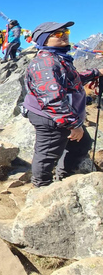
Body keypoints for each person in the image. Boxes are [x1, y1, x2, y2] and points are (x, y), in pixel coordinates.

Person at [23, 21, 103, 187]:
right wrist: (74, 125)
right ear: (44, 39)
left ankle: (63, 179)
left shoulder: (58, 58)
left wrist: (95, 73)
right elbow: (52, 99)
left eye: (65, 31)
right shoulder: (46, 63)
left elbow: (71, 80)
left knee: (82, 144)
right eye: (58, 33)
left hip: (61, 116)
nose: (65, 34)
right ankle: (41, 188)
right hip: (51, 117)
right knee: (47, 155)